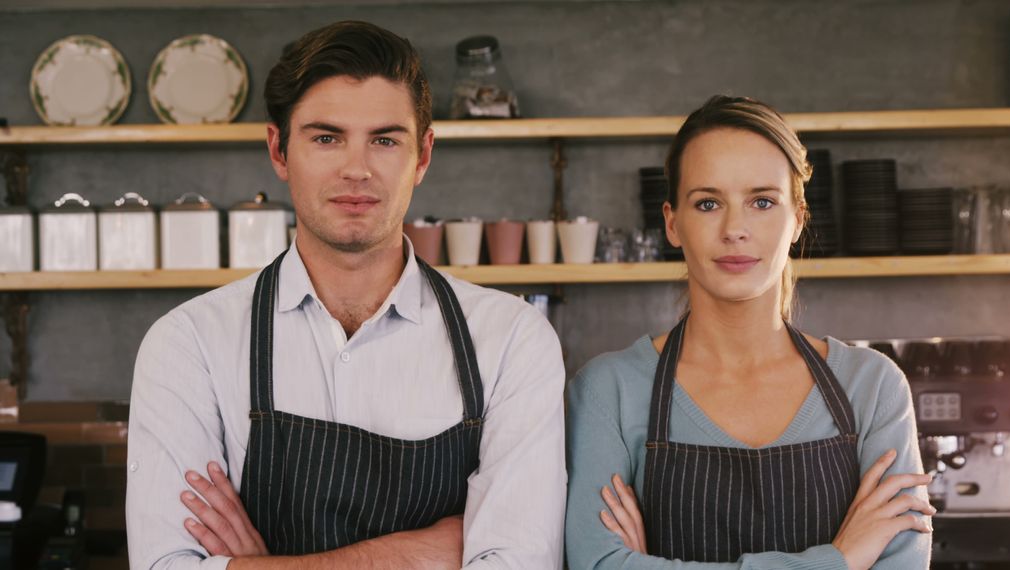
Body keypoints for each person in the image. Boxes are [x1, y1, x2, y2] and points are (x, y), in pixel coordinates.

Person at [126, 20, 566, 570]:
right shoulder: (187, 344)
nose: (356, 169)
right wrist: (414, 554)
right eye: (326, 137)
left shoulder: (512, 340)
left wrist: (262, 565)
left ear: (423, 156)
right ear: (279, 150)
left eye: (385, 140)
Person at [564, 95, 932, 570]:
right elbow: (598, 565)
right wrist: (839, 560)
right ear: (673, 223)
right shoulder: (607, 391)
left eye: (762, 201)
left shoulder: (873, 387)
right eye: (708, 202)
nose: (735, 228)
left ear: (798, 219)